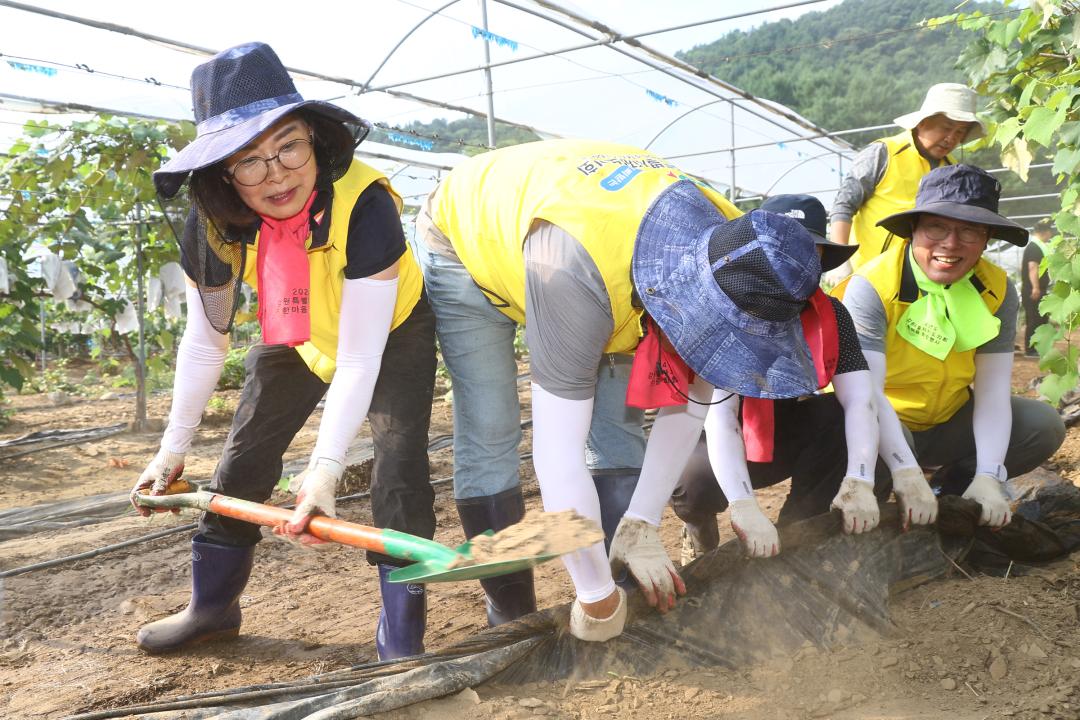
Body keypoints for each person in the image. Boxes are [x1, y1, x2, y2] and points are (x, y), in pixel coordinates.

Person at [416, 139, 862, 641]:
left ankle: (622, 561)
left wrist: (643, 522)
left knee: (614, 425)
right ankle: (514, 617)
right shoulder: (573, 274)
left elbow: (693, 396)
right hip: (470, 240)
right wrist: (595, 598)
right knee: (492, 428)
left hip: (602, 242)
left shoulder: (742, 251)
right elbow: (555, 455)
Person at [130, 43, 437, 660]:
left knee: (398, 466)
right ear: (223, 173)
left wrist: (324, 470)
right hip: (298, 329)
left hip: (390, 335)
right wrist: (171, 449)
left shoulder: (365, 203)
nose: (275, 174)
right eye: (248, 160)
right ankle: (212, 608)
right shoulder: (213, 224)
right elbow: (204, 341)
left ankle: (402, 634)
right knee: (245, 452)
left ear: (315, 141)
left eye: (288, 147)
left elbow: (359, 358)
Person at [672, 194, 916, 566]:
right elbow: (720, 418)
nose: (793, 263)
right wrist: (743, 504)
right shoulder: (720, 307)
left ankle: (800, 535)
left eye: (808, 252)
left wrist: (860, 479)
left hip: (783, 429)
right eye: (780, 250)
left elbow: (860, 400)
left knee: (844, 420)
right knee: (693, 484)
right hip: (706, 435)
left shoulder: (830, 313)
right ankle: (699, 532)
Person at [835, 164, 1066, 530]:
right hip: (882, 419)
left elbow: (992, 392)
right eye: (936, 227)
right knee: (866, 437)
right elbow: (867, 396)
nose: (950, 243)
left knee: (1042, 425)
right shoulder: (872, 286)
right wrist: (906, 470)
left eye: (970, 230)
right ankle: (874, 506)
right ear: (914, 229)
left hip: (946, 418)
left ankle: (954, 492)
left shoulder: (997, 288)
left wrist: (990, 474)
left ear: (987, 238)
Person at [830, 84, 986, 271]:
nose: (951, 138)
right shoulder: (884, 153)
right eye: (946, 128)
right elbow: (844, 205)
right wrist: (839, 263)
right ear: (922, 122)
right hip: (868, 271)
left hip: (921, 275)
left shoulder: (953, 170)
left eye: (960, 132)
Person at [1021, 219, 1054, 356]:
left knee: (1041, 319)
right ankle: (1030, 349)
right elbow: (1033, 267)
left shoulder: (1037, 246)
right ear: (1045, 232)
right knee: (1034, 319)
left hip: (1038, 289)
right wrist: (1035, 287)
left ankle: (1038, 347)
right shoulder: (1034, 247)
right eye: (1050, 231)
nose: (1051, 235)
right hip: (1033, 290)